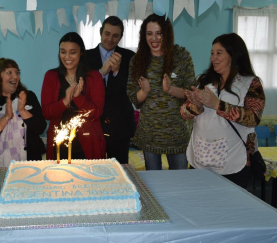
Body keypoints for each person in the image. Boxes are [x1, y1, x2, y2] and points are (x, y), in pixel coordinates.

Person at [181, 33, 265, 188]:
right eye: (212, 53)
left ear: (233, 56)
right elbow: (184, 114)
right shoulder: (203, 80)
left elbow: (254, 117)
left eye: (219, 53)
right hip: (200, 158)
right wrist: (195, 106)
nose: (213, 58)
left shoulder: (251, 83)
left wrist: (217, 104)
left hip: (234, 163)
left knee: (230, 209)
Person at [126, 13, 195, 170]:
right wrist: (144, 91)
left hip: (177, 133)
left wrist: (170, 89)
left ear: (167, 34)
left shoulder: (182, 56)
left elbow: (191, 93)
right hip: (150, 134)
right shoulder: (138, 60)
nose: (154, 39)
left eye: (159, 33)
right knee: (154, 185)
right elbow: (133, 97)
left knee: (179, 183)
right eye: (149, 34)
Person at [41, 32, 106, 160]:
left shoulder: (94, 77)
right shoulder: (51, 76)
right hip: (59, 143)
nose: (67, 57)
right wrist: (64, 101)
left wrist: (78, 98)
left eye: (73, 52)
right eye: (63, 52)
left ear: (81, 52)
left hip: (87, 144)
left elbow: (97, 112)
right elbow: (46, 113)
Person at [85, 16, 135, 164]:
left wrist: (116, 72)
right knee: (94, 171)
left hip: (120, 126)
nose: (110, 39)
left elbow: (130, 90)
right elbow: (84, 91)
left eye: (115, 35)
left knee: (120, 171)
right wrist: (101, 72)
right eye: (107, 34)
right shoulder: (85, 57)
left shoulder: (129, 57)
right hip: (92, 124)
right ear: (100, 32)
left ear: (121, 37)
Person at [0, 58, 46, 167]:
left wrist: (22, 111)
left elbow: (41, 128)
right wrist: (6, 117)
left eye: (17, 72)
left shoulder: (28, 97)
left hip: (29, 164)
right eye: (9, 72)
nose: (15, 76)